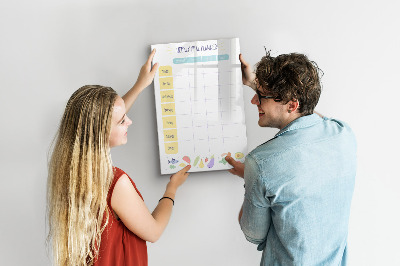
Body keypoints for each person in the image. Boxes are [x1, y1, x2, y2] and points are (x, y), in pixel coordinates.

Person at [47, 49, 191, 266]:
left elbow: (104, 119)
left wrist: (140, 84)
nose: (129, 122)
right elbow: (153, 231)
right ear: (101, 132)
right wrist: (172, 188)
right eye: (122, 121)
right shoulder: (115, 183)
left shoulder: (69, 170)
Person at [225, 51, 357, 265]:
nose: (253, 100)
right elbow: (311, 114)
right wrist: (254, 84)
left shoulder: (260, 163)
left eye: (260, 96)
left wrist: (252, 178)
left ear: (292, 105)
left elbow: (253, 234)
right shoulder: (343, 134)